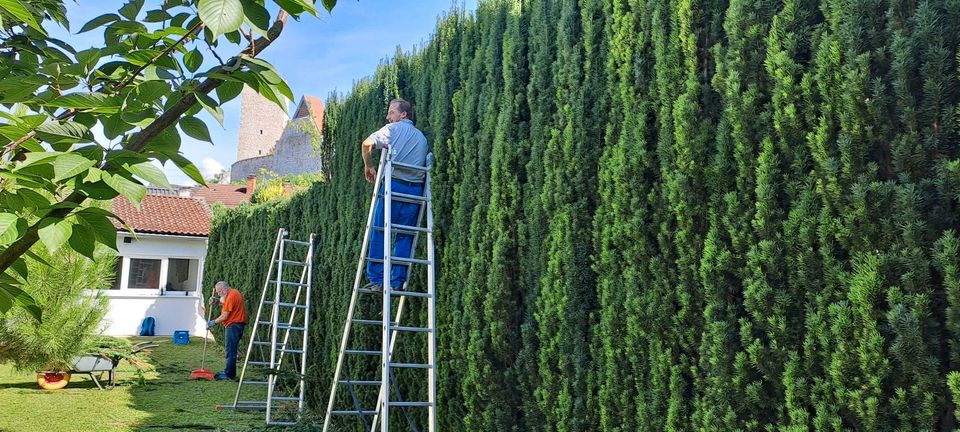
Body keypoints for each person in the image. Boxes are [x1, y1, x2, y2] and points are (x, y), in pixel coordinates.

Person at [360, 98, 428, 292]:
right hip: (415, 192)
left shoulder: (393, 129)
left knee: (380, 230)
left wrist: (369, 166)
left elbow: (366, 144)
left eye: (391, 112)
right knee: (405, 236)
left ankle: (378, 280)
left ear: (403, 115)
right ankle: (397, 283)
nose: (388, 117)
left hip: (394, 186)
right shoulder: (422, 138)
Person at [207, 281, 248, 380]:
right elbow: (224, 302)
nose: (218, 294)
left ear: (224, 289)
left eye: (219, 292)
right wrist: (216, 301)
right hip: (235, 324)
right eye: (217, 292)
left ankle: (229, 374)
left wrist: (212, 323)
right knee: (231, 349)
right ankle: (229, 372)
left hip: (234, 325)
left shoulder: (231, 296)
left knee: (230, 350)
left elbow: (225, 316)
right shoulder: (232, 293)